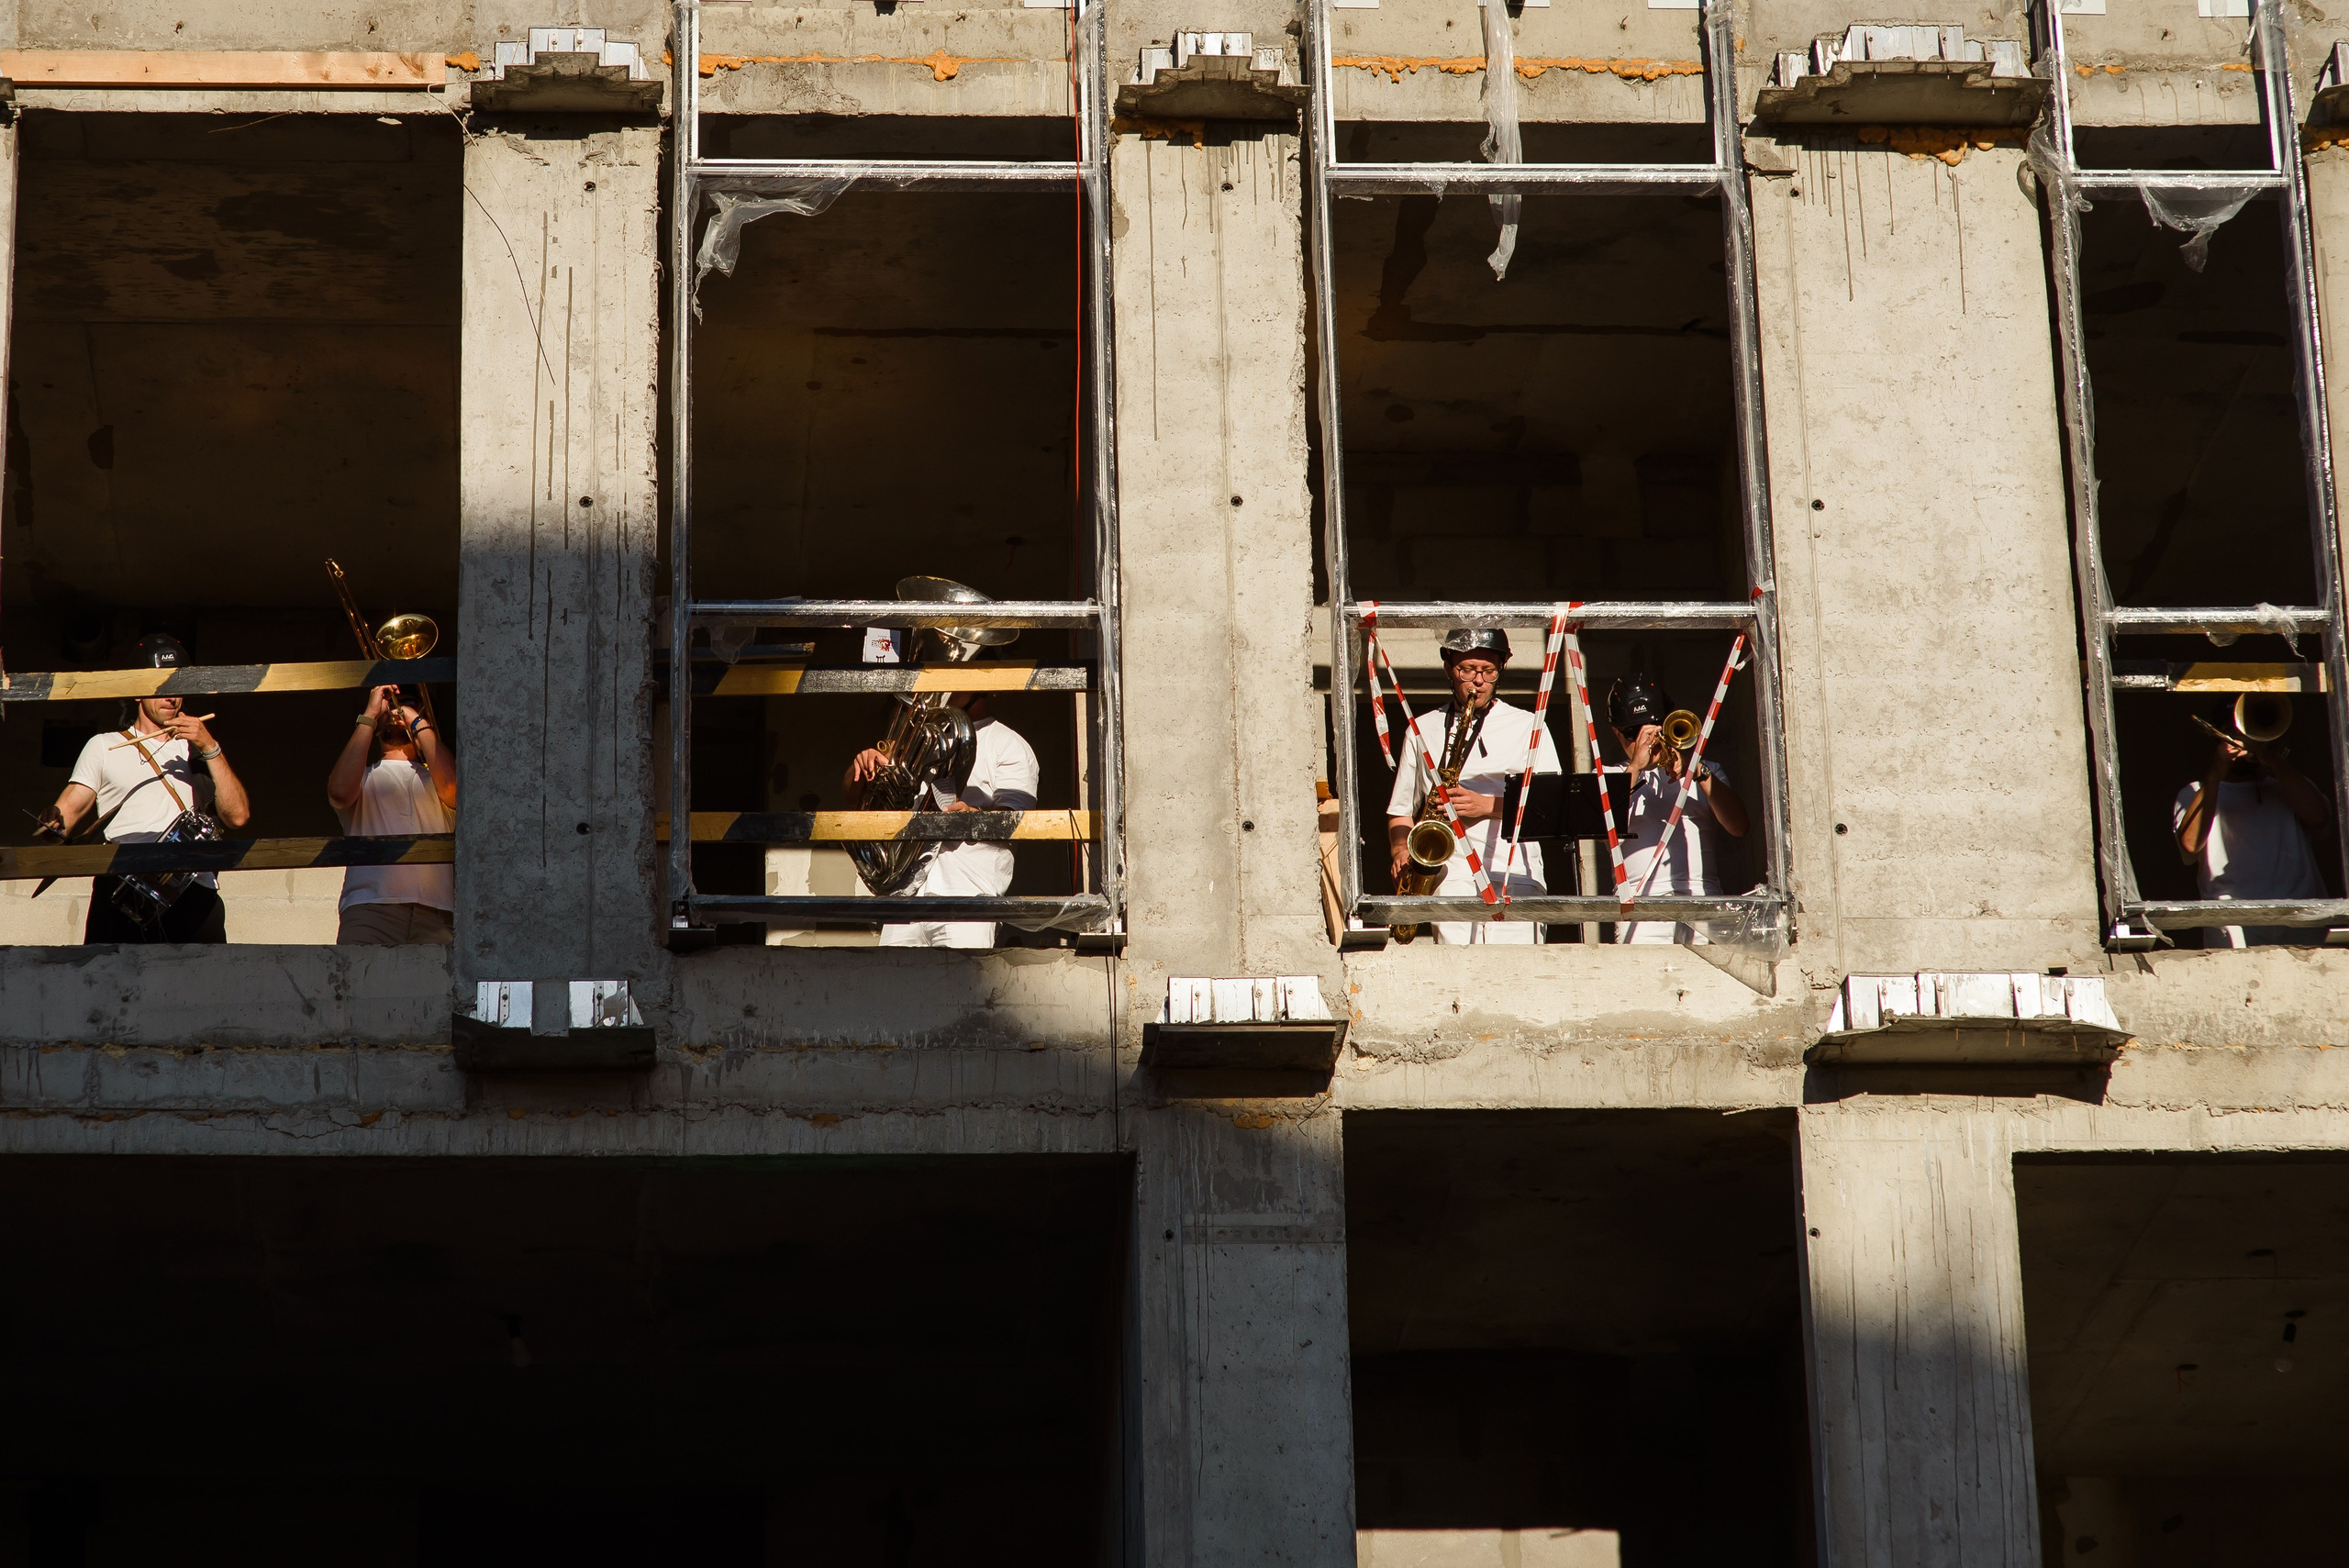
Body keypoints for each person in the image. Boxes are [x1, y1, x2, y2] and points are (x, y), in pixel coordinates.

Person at [41, 634, 252, 944]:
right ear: (137, 691)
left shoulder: (198, 750)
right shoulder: (105, 746)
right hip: (122, 884)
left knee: (202, 987)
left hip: (190, 886)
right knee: (113, 982)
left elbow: (237, 817)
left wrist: (210, 746)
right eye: (161, 687)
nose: (171, 698)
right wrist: (52, 822)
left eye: (178, 687)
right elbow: (67, 814)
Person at [1385, 628, 1561, 944]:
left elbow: (1554, 806)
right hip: (1451, 877)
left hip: (1515, 874)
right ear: (1448, 669)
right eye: (1467, 670)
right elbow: (1400, 810)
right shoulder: (1421, 728)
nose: (1478, 681)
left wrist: (1488, 806)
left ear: (1501, 670)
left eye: (1488, 671)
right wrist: (1400, 849)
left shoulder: (1529, 726)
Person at [845, 692, 1039, 950]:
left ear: (987, 688)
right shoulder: (922, 741)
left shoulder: (1008, 744)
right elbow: (851, 796)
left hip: (968, 896)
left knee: (964, 989)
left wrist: (972, 816)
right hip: (906, 897)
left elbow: (1017, 820)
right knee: (888, 983)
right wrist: (863, 765)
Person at [2173, 697, 2332, 948]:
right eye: (2231, 732)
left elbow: (2320, 819)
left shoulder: (2288, 785)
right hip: (2233, 924)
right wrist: (2216, 772)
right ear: (2217, 737)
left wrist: (2273, 761)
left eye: (2248, 732)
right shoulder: (2195, 793)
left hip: (2301, 922)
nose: (2244, 740)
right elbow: (2190, 846)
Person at [1608, 673, 1748, 945]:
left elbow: (1739, 827)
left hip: (1703, 900)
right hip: (1639, 908)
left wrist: (1698, 771)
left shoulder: (1706, 771)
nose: (1645, 740)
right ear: (1616, 733)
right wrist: (1635, 768)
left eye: (1654, 728)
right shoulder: (1608, 777)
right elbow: (1602, 829)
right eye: (1631, 732)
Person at [327, 683, 457, 945]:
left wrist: (417, 721)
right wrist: (371, 715)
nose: (398, 710)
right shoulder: (363, 778)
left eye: (409, 702)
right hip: (370, 908)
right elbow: (339, 792)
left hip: (437, 912)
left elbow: (454, 789)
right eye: (392, 704)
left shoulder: (437, 778)